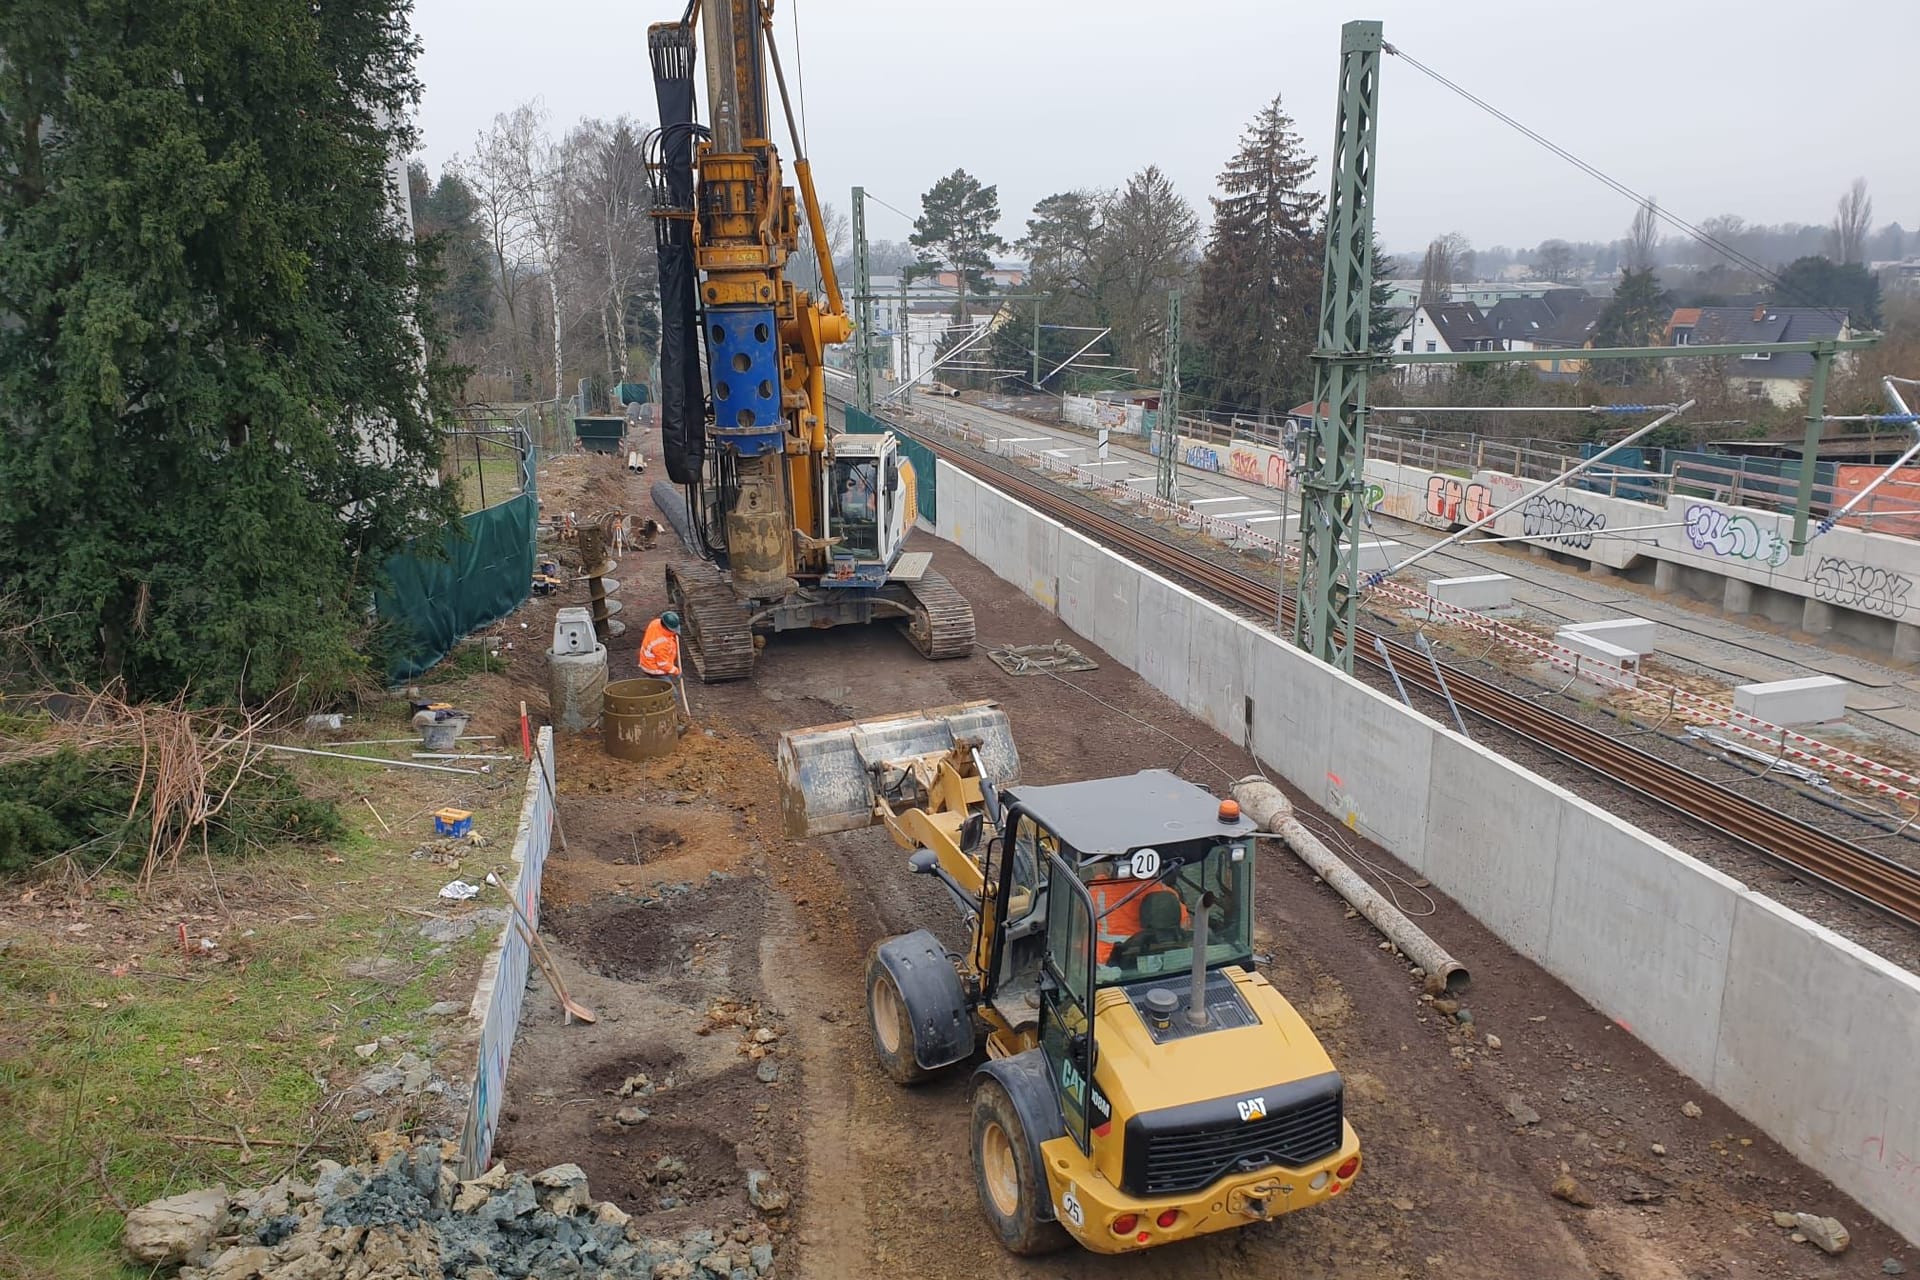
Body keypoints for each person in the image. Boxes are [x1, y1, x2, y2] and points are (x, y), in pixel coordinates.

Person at [639, 610, 682, 679]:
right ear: (668, 628)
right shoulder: (661, 644)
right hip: (654, 668)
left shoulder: (656, 623)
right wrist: (676, 671)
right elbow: (662, 664)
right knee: (668, 689)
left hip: (647, 660)